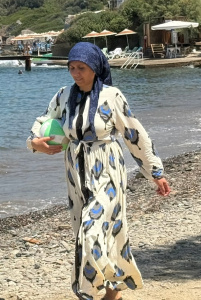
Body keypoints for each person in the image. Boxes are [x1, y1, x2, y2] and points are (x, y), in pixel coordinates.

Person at [27, 42, 170, 300]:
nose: (75, 73)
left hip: (108, 169)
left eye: (81, 68)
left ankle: (96, 292)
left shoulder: (112, 96)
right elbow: (43, 122)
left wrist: (155, 172)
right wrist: (34, 143)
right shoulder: (62, 95)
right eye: (71, 67)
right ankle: (112, 292)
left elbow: (134, 134)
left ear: (95, 68)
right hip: (75, 172)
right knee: (94, 232)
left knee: (92, 230)